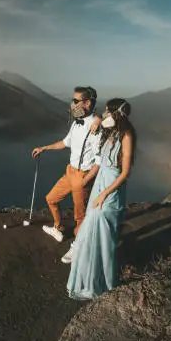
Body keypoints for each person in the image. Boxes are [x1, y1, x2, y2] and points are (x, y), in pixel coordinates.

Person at [66, 98, 136, 301]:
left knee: (104, 235)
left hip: (111, 189)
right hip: (100, 185)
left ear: (116, 114)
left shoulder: (126, 136)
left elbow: (125, 173)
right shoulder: (110, 133)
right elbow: (91, 118)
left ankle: (103, 282)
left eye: (108, 112)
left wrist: (104, 194)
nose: (104, 115)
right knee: (90, 231)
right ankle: (88, 278)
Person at [32, 86, 102, 264]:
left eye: (76, 101)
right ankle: (58, 227)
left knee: (81, 217)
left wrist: (85, 180)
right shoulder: (76, 123)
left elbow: (100, 160)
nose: (72, 104)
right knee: (51, 198)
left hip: (83, 175)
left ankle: (78, 247)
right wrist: (44, 148)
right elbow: (65, 143)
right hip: (70, 171)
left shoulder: (96, 125)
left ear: (87, 103)